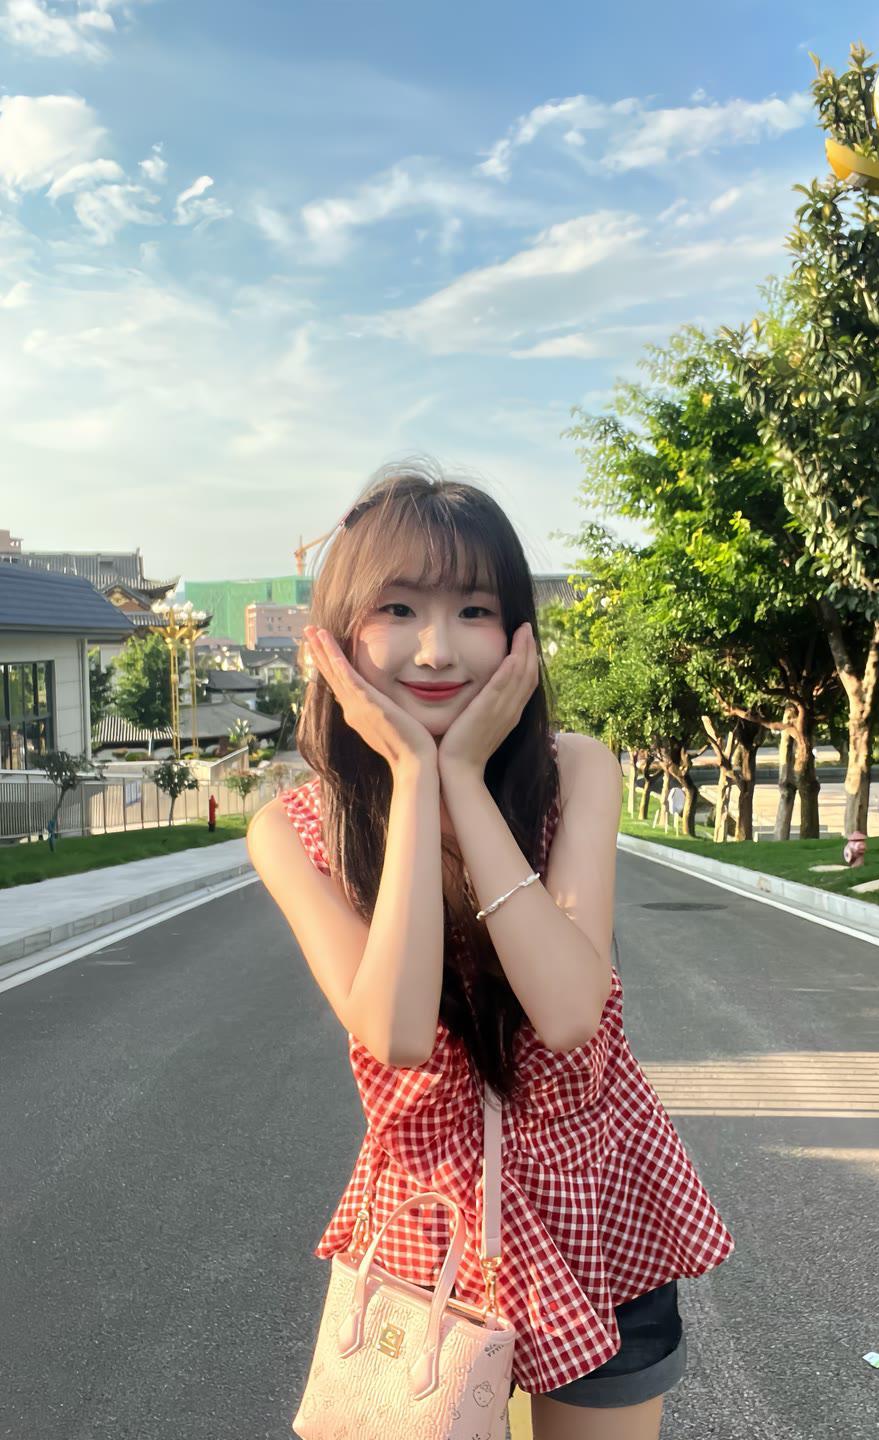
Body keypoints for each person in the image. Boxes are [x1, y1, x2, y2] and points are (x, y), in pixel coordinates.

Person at [245, 458, 733, 1440]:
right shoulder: (295, 830)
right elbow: (394, 1033)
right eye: (397, 609)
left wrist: (464, 778)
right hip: (426, 1233)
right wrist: (413, 779)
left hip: (600, 1211)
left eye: (474, 610)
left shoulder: (575, 772)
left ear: (517, 634)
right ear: (334, 638)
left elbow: (568, 1011)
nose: (436, 648)